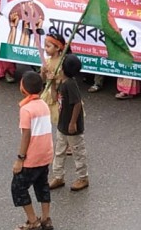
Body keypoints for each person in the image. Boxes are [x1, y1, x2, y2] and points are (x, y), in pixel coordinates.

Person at [13, 71, 55, 230]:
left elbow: (26, 135)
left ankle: (32, 220)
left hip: (32, 156)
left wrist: (20, 158)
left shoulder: (26, 109)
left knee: (18, 186)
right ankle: (45, 218)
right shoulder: (43, 104)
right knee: (42, 184)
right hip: (46, 154)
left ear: (23, 88)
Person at [49, 54, 89, 192]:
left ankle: (83, 177)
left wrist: (73, 123)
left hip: (72, 128)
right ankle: (58, 176)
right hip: (62, 125)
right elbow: (55, 98)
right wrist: (52, 83)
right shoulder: (62, 82)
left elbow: (77, 103)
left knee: (78, 152)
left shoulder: (70, 84)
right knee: (59, 152)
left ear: (63, 68)